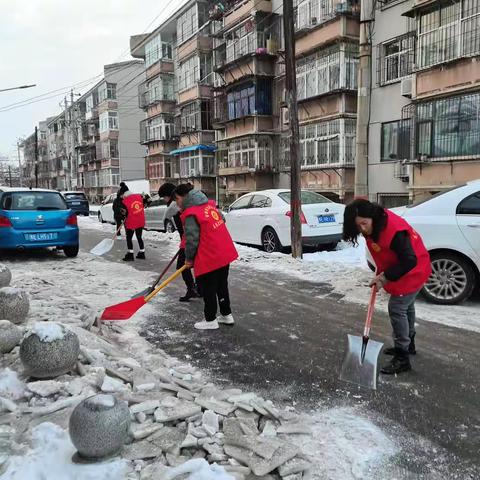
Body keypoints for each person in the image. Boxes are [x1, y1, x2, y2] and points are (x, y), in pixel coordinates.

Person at [343, 199, 431, 375]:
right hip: (403, 269)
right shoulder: (374, 223)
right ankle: (409, 344)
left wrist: (384, 278)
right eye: (357, 225)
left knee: (397, 308)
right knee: (407, 307)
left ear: (372, 217)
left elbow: (409, 260)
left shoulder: (393, 231)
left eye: (364, 224)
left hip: (414, 269)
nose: (362, 229)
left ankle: (402, 357)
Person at [174, 184, 238, 330]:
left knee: (208, 287)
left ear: (184, 197)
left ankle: (210, 319)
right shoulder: (208, 206)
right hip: (224, 251)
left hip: (210, 254)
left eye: (177, 199)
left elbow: (192, 239)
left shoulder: (191, 213)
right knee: (221, 285)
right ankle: (226, 314)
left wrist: (189, 259)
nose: (176, 202)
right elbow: (222, 219)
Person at [158, 182, 200, 302]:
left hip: (190, 240)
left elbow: (185, 228)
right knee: (196, 264)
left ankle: (192, 289)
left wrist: (185, 243)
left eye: (164, 197)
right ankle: (198, 288)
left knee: (182, 265)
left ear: (169, 196)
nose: (164, 200)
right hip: (191, 239)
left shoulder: (176, 207)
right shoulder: (181, 205)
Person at [118, 182, 146, 261]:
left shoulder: (125, 201)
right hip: (140, 220)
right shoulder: (139, 196)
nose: (122, 197)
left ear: (123, 194)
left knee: (129, 237)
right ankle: (142, 252)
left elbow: (124, 213)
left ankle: (130, 254)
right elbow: (147, 201)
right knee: (139, 236)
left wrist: (122, 216)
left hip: (131, 222)